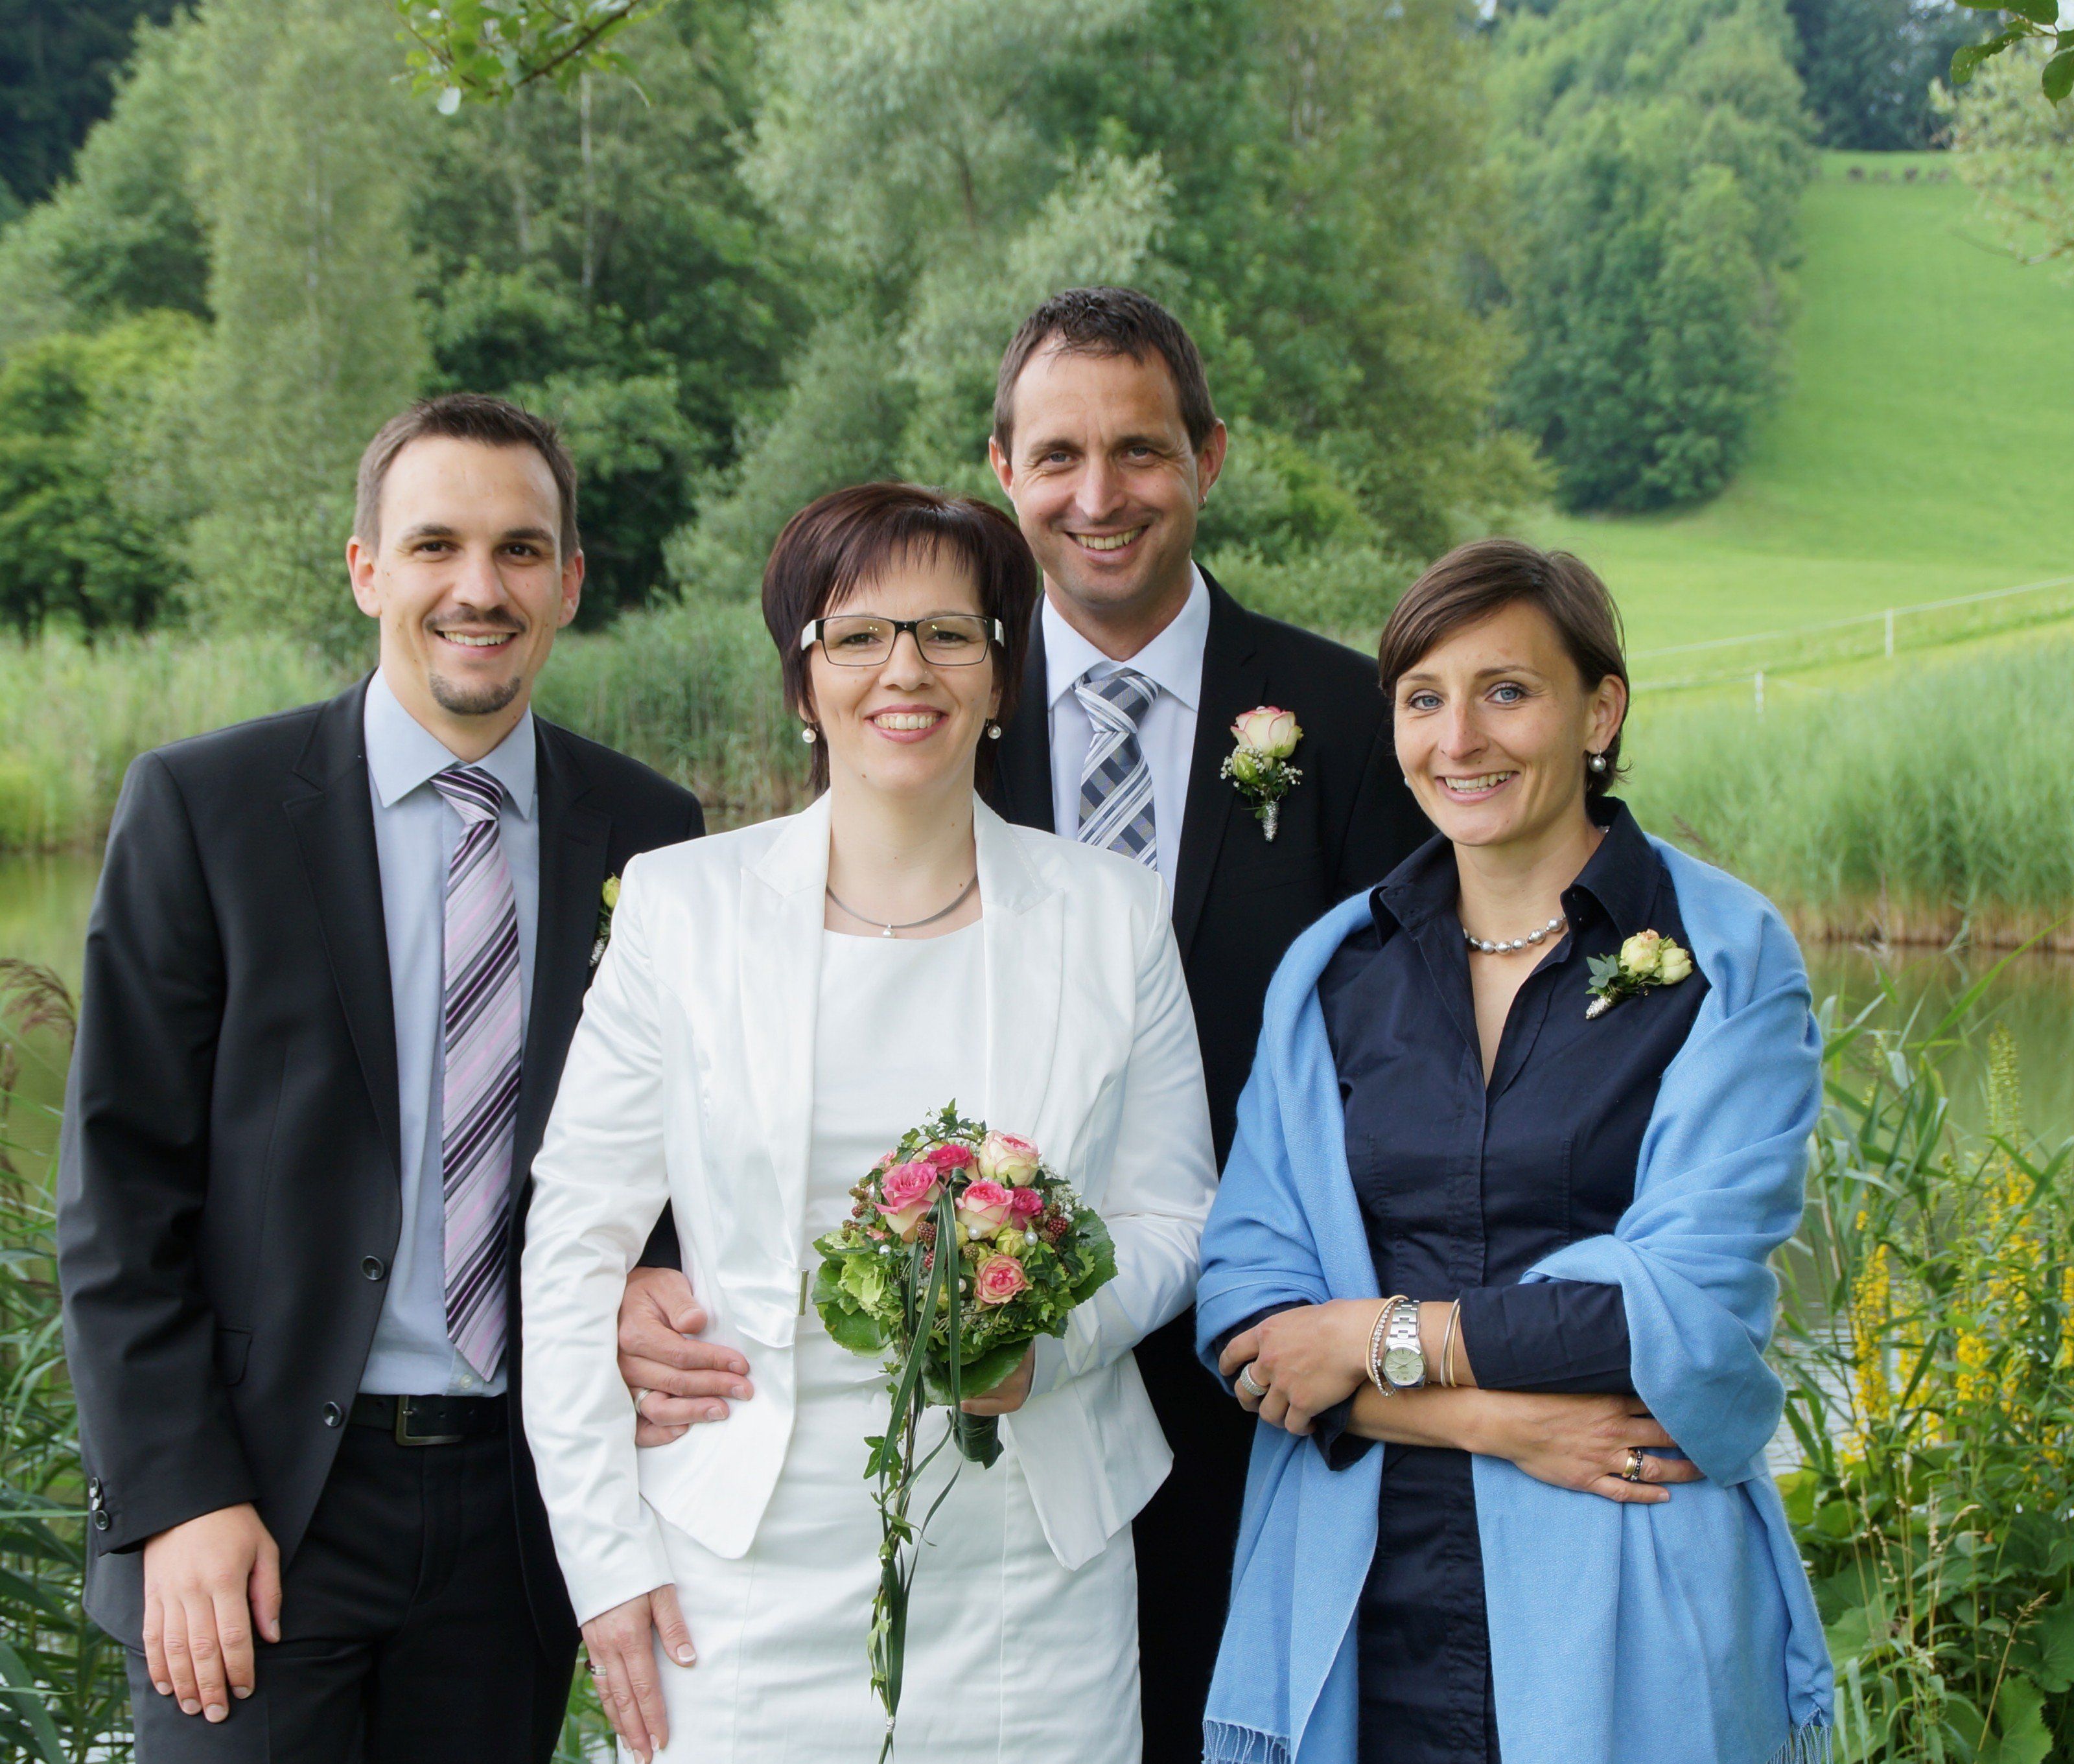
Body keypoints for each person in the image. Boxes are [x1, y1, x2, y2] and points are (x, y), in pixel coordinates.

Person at [612, 289, 1432, 1756]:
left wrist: (1395, 1340)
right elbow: (761, 1050)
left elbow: (1410, 1051)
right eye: (1057, 455)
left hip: (1266, 1382)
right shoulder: (923, 696)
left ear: (1210, 456)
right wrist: (651, 1268)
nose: (1098, 495)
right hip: (931, 1438)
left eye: (1139, 450)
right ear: (1004, 467)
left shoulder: (1348, 717)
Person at [518, 482, 1218, 1763]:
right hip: (740, 1573)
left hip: (1035, 1574)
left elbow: (1176, 1213)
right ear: (805, 680)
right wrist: (605, 1558)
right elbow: (574, 1239)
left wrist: (1050, 1340)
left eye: (951, 633)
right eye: (857, 635)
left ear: (1002, 677)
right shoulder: (686, 910)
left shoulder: (1111, 915)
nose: (907, 668)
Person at [56, 394, 703, 1760]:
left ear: (571, 582)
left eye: (522, 550)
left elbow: (680, 1141)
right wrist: (179, 1495)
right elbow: (118, 1194)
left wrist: (657, 1256)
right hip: (261, 1506)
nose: (481, 588)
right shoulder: (204, 809)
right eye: (435, 546)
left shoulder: (653, 835)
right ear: (366, 569)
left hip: (519, 1513)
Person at [1194, 539, 1834, 1764]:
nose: (1458, 739)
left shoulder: (1727, 953)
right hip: (1357, 1607)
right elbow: (1247, 1311)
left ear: (1601, 708)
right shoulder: (1336, 971)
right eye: (1424, 698)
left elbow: (1678, 1306)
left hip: (1629, 1567)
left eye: (1507, 691)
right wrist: (1495, 1418)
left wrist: (1369, 1338)